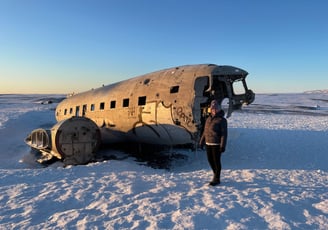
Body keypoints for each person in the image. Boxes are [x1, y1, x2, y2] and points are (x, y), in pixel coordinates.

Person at [199, 100, 228, 186]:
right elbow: (205, 131)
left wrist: (222, 146)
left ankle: (217, 178)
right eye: (212, 109)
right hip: (208, 143)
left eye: (216, 109)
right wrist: (201, 141)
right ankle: (216, 174)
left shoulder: (222, 120)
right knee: (210, 160)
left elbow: (224, 134)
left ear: (219, 109)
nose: (214, 110)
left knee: (216, 161)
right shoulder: (208, 119)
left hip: (216, 144)